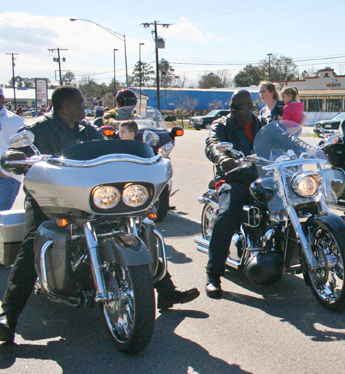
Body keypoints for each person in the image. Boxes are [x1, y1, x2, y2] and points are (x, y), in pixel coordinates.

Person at [0, 86, 198, 344]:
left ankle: (166, 291)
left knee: (136, 228)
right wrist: (17, 157)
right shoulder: (37, 128)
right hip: (50, 199)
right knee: (32, 244)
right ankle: (8, 316)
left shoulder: (86, 128)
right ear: (66, 105)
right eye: (81, 103)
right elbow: (17, 153)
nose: (86, 107)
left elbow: (108, 149)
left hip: (89, 197)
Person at [203, 89, 310, 298]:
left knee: (296, 201)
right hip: (234, 178)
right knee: (226, 216)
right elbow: (213, 144)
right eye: (232, 106)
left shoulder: (263, 125)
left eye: (238, 107)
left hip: (263, 177)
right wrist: (221, 158)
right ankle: (213, 275)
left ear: (250, 107)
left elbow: (286, 139)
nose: (233, 110)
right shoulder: (222, 124)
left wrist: (308, 149)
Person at [0, 87, 25, 211]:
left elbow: (22, 150)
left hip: (5, 178)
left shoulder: (13, 120)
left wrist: (5, 172)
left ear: (2, 98)